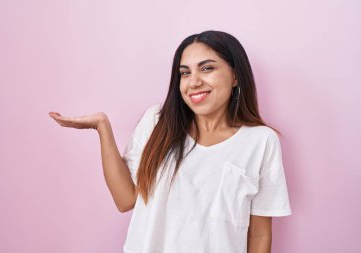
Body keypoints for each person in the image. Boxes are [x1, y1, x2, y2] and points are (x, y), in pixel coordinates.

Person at [49, 30, 292, 253]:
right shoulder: (157, 122)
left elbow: (259, 235)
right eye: (185, 73)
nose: (193, 81)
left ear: (236, 76)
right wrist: (102, 126)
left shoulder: (260, 141)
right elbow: (125, 200)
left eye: (207, 68)